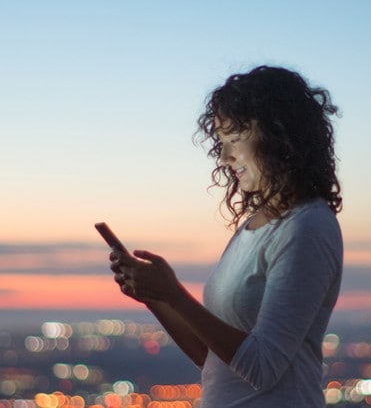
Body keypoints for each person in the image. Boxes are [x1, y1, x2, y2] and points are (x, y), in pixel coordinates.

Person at [109, 65, 344, 407]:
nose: (224, 156)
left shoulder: (307, 228)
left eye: (234, 140)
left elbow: (262, 366)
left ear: (280, 139)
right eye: (221, 142)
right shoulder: (252, 229)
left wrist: (174, 294)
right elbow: (210, 357)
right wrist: (154, 296)